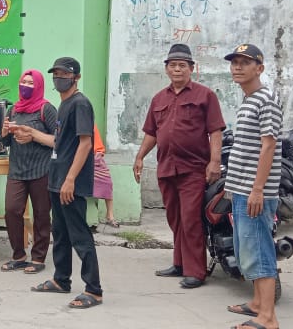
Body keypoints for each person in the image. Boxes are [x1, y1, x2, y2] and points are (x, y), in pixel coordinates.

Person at [133, 44, 225, 290]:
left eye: (182, 65)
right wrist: (140, 156)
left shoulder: (205, 96)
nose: (177, 69)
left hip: (193, 168)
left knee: (191, 219)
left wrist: (214, 161)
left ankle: (196, 271)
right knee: (175, 219)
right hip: (166, 167)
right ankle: (180, 263)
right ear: (166, 69)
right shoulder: (159, 99)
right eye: (173, 65)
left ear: (191, 68)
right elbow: (152, 132)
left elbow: (215, 130)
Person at [30, 57, 103, 309]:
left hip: (71, 182)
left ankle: (93, 290)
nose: (59, 78)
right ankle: (61, 279)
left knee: (79, 236)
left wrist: (70, 179)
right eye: (56, 73)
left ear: (76, 77)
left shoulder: (80, 104)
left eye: (65, 74)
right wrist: (31, 133)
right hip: (57, 179)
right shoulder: (64, 104)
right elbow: (59, 143)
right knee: (60, 233)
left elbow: (85, 143)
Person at [221, 44, 282, 329]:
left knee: (259, 249)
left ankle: (268, 317)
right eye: (234, 62)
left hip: (254, 192)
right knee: (247, 249)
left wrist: (257, 189)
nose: (237, 67)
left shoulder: (266, 99)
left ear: (260, 68)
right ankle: (257, 303)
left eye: (245, 62)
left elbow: (268, 145)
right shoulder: (249, 99)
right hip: (241, 189)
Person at [0, 69, 57, 274]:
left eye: (31, 83)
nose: (26, 86)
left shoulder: (46, 109)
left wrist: (33, 135)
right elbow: (6, 142)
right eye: (24, 82)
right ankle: (18, 256)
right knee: (12, 210)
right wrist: (5, 131)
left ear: (39, 86)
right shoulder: (14, 109)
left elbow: (58, 140)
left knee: (41, 214)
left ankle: (38, 258)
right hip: (17, 169)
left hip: (41, 169)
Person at [92, 125, 118, 228]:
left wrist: (98, 154)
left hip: (95, 157)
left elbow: (98, 146)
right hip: (80, 158)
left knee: (107, 182)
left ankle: (110, 215)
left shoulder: (90, 123)